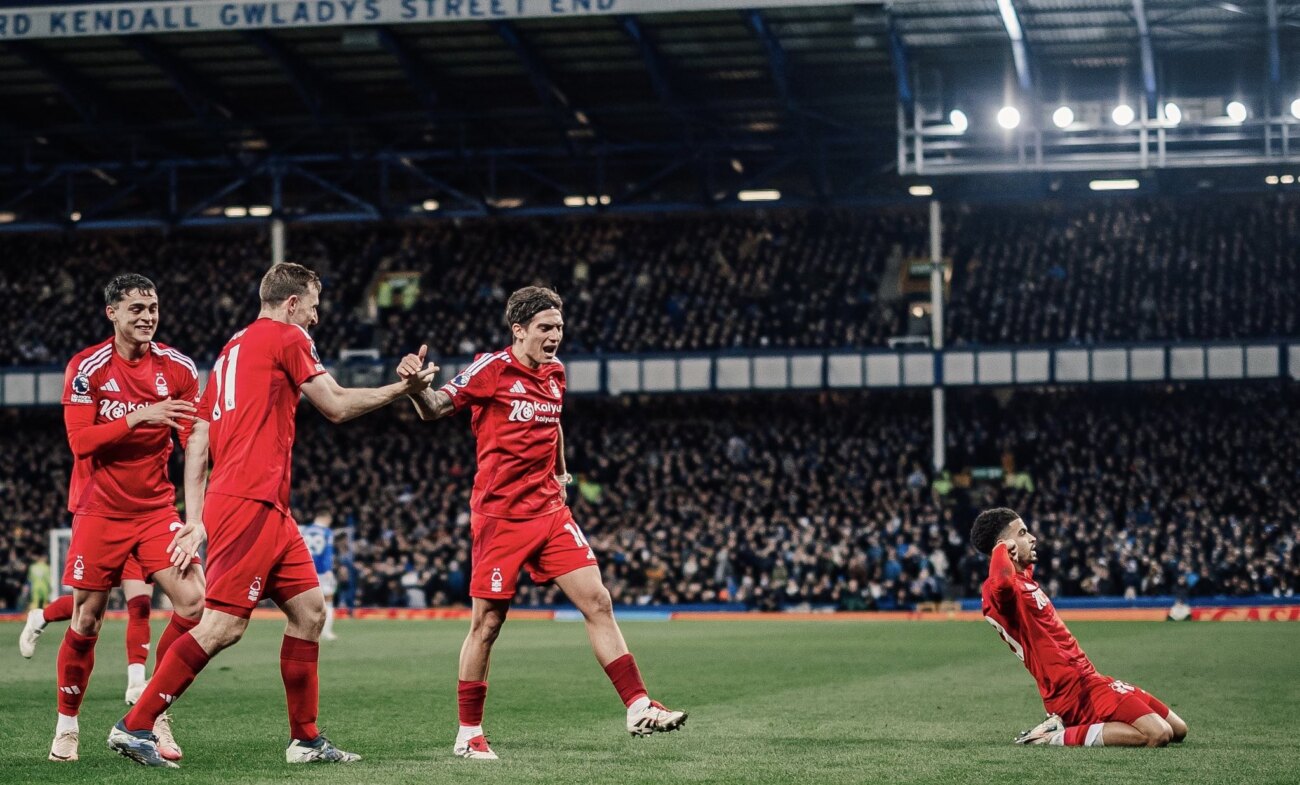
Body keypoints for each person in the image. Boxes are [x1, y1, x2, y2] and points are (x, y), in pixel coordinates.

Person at [108, 262, 438, 768]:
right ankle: (136, 724)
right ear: (291, 305)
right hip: (249, 500)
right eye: (313, 306)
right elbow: (336, 406)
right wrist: (405, 391)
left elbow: (198, 437)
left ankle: (305, 741)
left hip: (259, 504)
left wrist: (197, 516)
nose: (316, 317)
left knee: (309, 613)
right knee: (221, 626)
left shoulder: (231, 349)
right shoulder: (288, 336)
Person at [398, 286, 686, 761]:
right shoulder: (490, 369)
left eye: (559, 328)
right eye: (545, 328)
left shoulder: (555, 373)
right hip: (500, 517)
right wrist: (415, 388)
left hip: (551, 512)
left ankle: (637, 705)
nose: (555, 336)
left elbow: (554, 426)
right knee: (487, 624)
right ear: (519, 330)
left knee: (598, 600)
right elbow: (435, 409)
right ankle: (468, 734)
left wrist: (560, 474)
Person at [49, 273, 207, 763]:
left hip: (156, 509)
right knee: (88, 619)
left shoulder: (178, 367)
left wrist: (195, 516)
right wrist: (138, 416)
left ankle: (153, 712)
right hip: (99, 511)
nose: (147, 316)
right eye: (136, 308)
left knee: (194, 601)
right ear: (112, 313)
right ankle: (67, 725)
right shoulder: (87, 367)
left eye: (153, 307)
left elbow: (194, 437)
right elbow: (80, 442)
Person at [970, 507, 1189, 747]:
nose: (1032, 537)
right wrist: (1000, 549)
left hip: (1091, 679)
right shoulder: (997, 589)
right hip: (1072, 693)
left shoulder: (1024, 578)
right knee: (1158, 735)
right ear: (1005, 545)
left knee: (1178, 729)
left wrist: (1012, 550)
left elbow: (1015, 569)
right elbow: (1001, 581)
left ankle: (1065, 726)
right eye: (1023, 533)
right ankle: (1053, 737)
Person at [21, 555, 161, 705]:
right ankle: (41, 617)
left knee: (140, 607)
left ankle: (136, 684)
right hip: (104, 538)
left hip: (136, 538)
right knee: (89, 608)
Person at [299, 512, 339, 641]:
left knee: (306, 602)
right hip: (321, 571)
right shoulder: (327, 532)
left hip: (305, 568)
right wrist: (328, 569)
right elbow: (328, 551)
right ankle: (326, 632)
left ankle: (304, 630)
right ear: (326, 518)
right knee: (328, 601)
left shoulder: (304, 530)